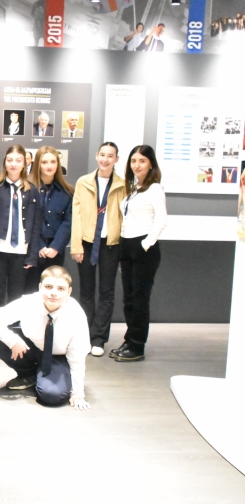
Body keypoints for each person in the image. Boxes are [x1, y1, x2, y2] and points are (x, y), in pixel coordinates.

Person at [0, 266, 91, 410]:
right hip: (34, 348)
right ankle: (29, 375)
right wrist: (13, 340)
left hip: (58, 356)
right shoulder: (29, 302)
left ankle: (50, 375)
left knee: (52, 396)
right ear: (40, 287)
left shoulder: (75, 314)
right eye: (48, 287)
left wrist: (78, 394)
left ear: (69, 292)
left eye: (61, 289)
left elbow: (77, 358)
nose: (54, 293)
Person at [112, 145, 167, 362]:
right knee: (128, 299)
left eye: (142, 161)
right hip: (127, 245)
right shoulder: (135, 188)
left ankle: (137, 346)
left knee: (140, 299)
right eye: (133, 161)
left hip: (143, 248)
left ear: (151, 164)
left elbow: (161, 220)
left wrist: (145, 244)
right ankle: (129, 340)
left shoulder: (154, 189)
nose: (137, 165)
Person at [71, 142, 125, 356]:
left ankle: (99, 339)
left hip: (111, 243)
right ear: (96, 156)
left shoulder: (122, 184)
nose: (105, 159)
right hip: (86, 242)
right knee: (86, 291)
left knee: (107, 292)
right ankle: (85, 336)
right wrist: (76, 245)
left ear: (116, 159)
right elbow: (76, 216)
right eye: (102, 155)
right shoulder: (83, 182)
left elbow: (124, 216)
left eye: (110, 156)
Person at [0, 145, 42, 313]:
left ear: (25, 164)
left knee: (16, 296)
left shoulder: (32, 191)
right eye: (10, 160)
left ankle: (14, 328)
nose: (13, 164)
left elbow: (36, 225)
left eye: (18, 160)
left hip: (21, 252)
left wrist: (32, 256)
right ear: (4, 163)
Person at [25, 146, 73, 292]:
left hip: (55, 250)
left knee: (52, 291)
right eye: (44, 162)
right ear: (37, 164)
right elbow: (26, 219)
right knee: (29, 291)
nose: (49, 166)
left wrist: (55, 247)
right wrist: (39, 246)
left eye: (53, 162)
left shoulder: (67, 192)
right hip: (31, 248)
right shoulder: (27, 188)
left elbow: (68, 222)